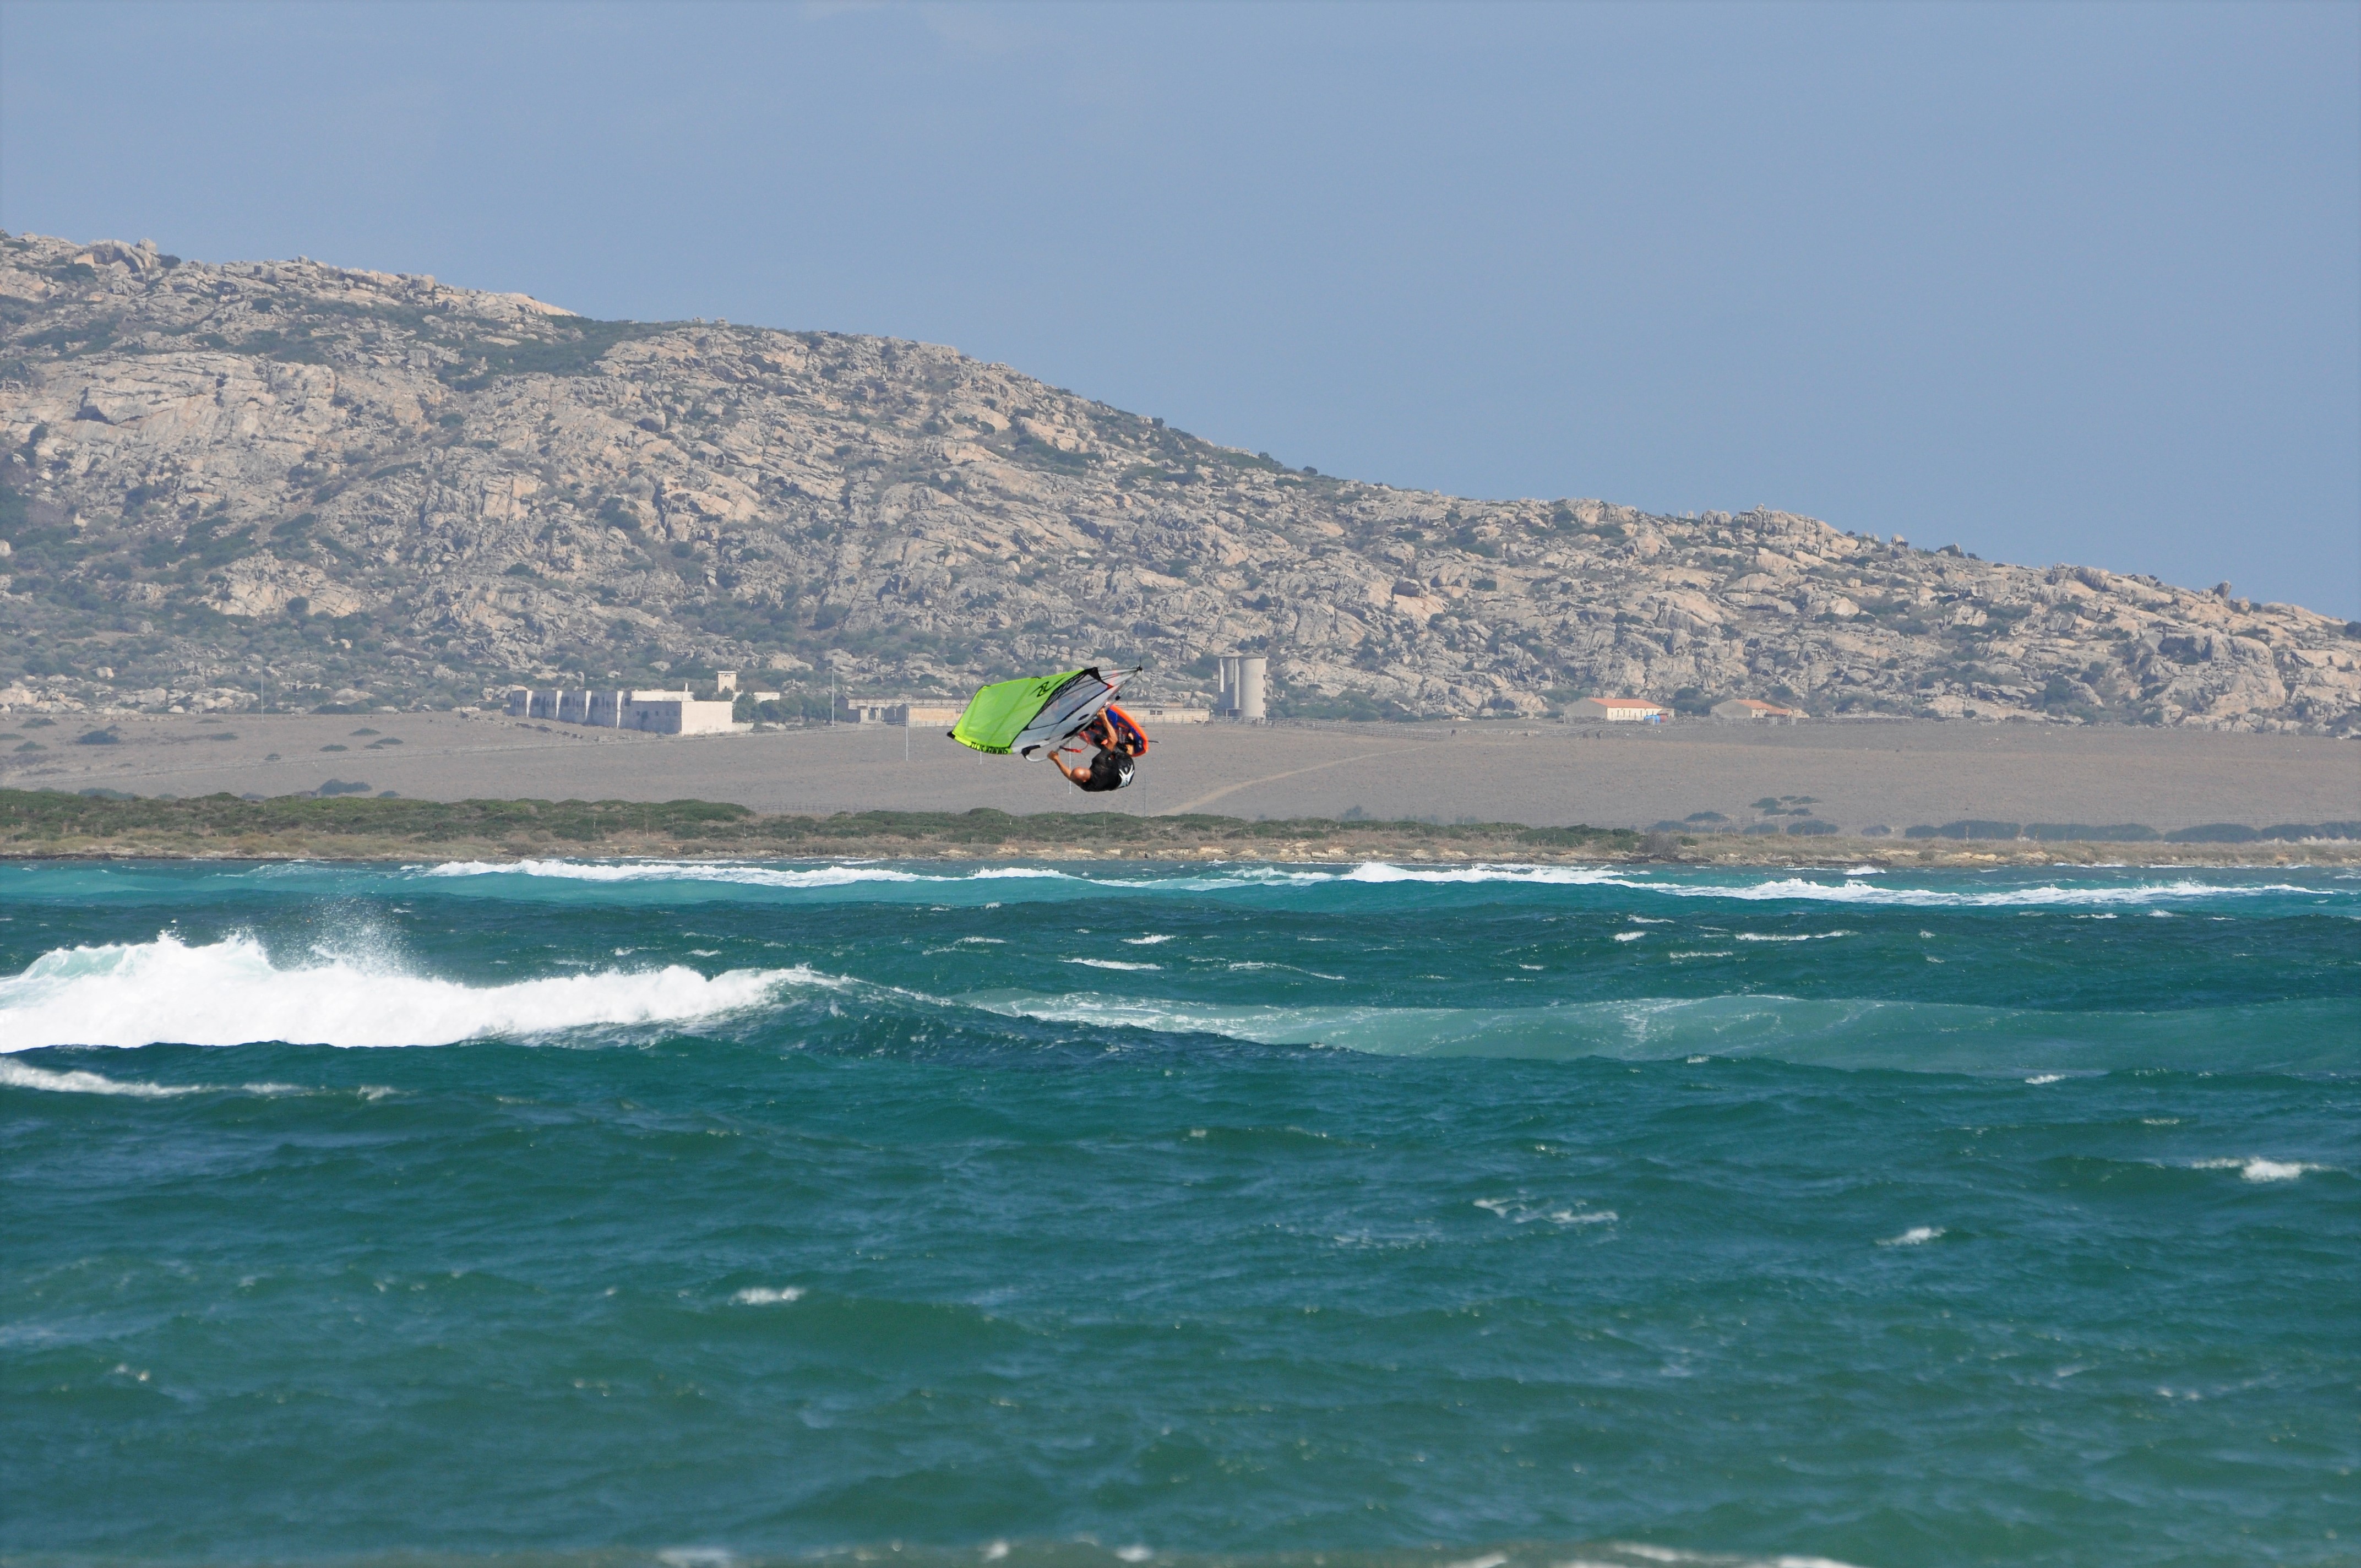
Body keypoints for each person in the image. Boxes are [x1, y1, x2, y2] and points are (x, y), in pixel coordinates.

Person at [1051, 706, 1145, 792]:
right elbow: (1114, 740)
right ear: (1084, 779)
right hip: (1127, 768)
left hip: (1122, 782)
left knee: (1102, 745)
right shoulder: (1099, 763)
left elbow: (1071, 776)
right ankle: (1129, 746)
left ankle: (1111, 751)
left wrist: (1056, 760)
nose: (1080, 766)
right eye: (1080, 768)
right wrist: (1104, 718)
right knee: (1102, 740)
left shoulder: (1087, 786)